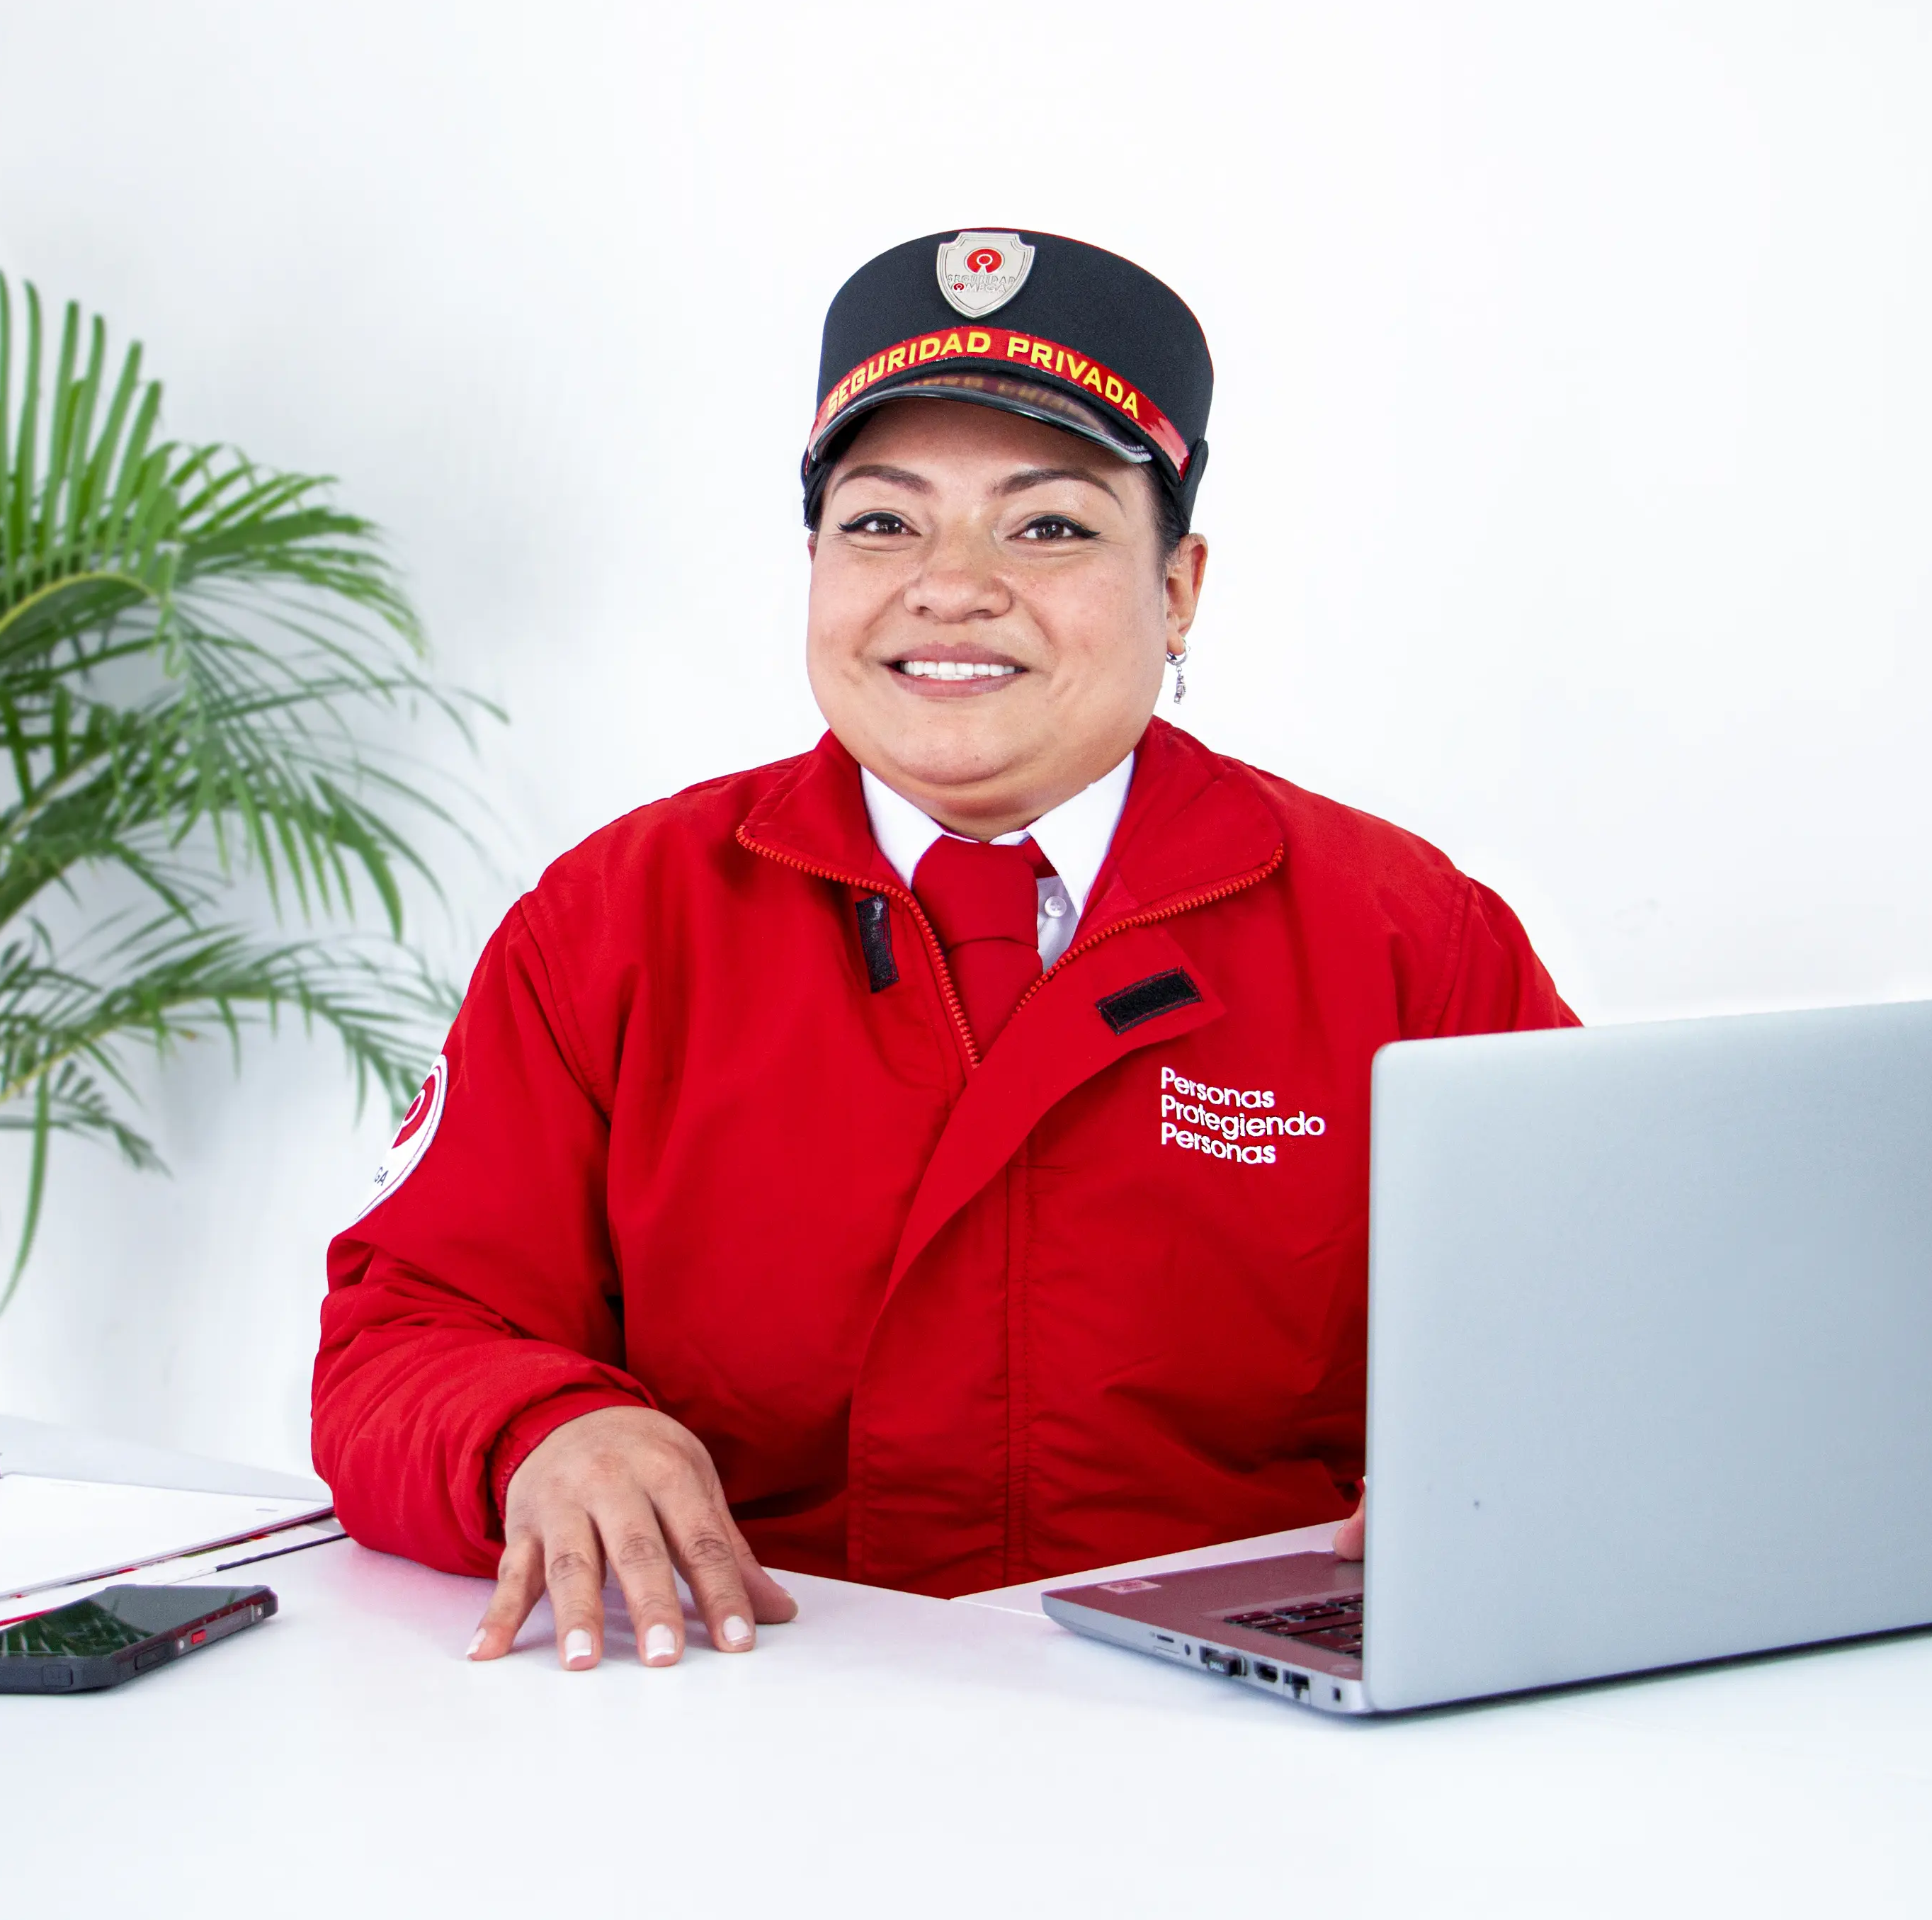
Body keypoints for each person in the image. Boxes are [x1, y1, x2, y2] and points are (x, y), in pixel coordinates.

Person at [313, 229, 1575, 1671]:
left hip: (1232, 1725)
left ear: (1176, 590)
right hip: (742, 1703)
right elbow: (402, 1338)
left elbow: (1605, 1325)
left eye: (1047, 527)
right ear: (813, 568)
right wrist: (540, 1430)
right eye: (880, 524)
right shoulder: (615, 923)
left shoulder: (1406, 935)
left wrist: (1510, 1471)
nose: (950, 585)